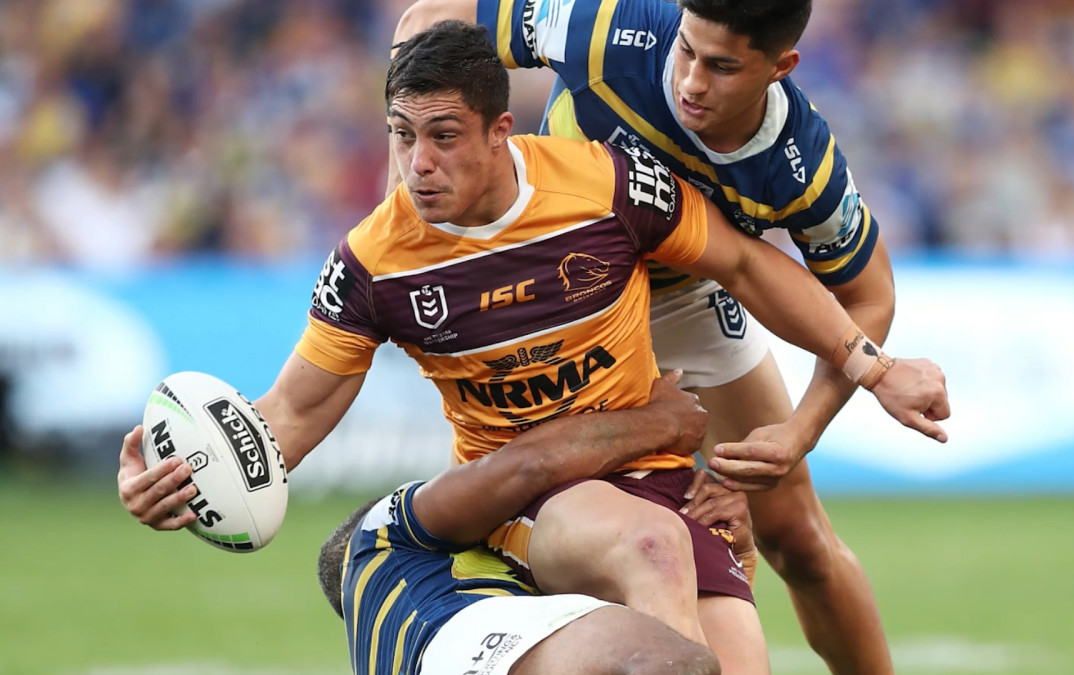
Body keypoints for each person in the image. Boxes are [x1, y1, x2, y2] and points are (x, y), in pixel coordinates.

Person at [118, 20, 949, 675]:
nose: (418, 163)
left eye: (444, 136)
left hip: (661, 484)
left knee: (733, 651)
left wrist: (872, 368)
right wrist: (190, 476)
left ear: (500, 132)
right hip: (528, 505)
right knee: (652, 560)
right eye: (401, 135)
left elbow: (744, 263)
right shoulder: (374, 261)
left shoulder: (605, 184)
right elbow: (289, 414)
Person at [391, 2, 908, 672]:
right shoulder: (605, 27)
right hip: (564, 303)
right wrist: (400, 170)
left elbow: (869, 297)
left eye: (721, 66)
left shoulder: (800, 162)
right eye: (687, 51)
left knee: (799, 539)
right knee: (553, 533)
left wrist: (800, 430)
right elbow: (429, 18)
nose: (692, 81)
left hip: (687, 298)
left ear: (781, 67)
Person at [315, 371, 748, 675]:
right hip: (488, 654)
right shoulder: (379, 532)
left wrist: (738, 561)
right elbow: (524, 466)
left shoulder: (383, 645)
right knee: (675, 661)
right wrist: (664, 423)